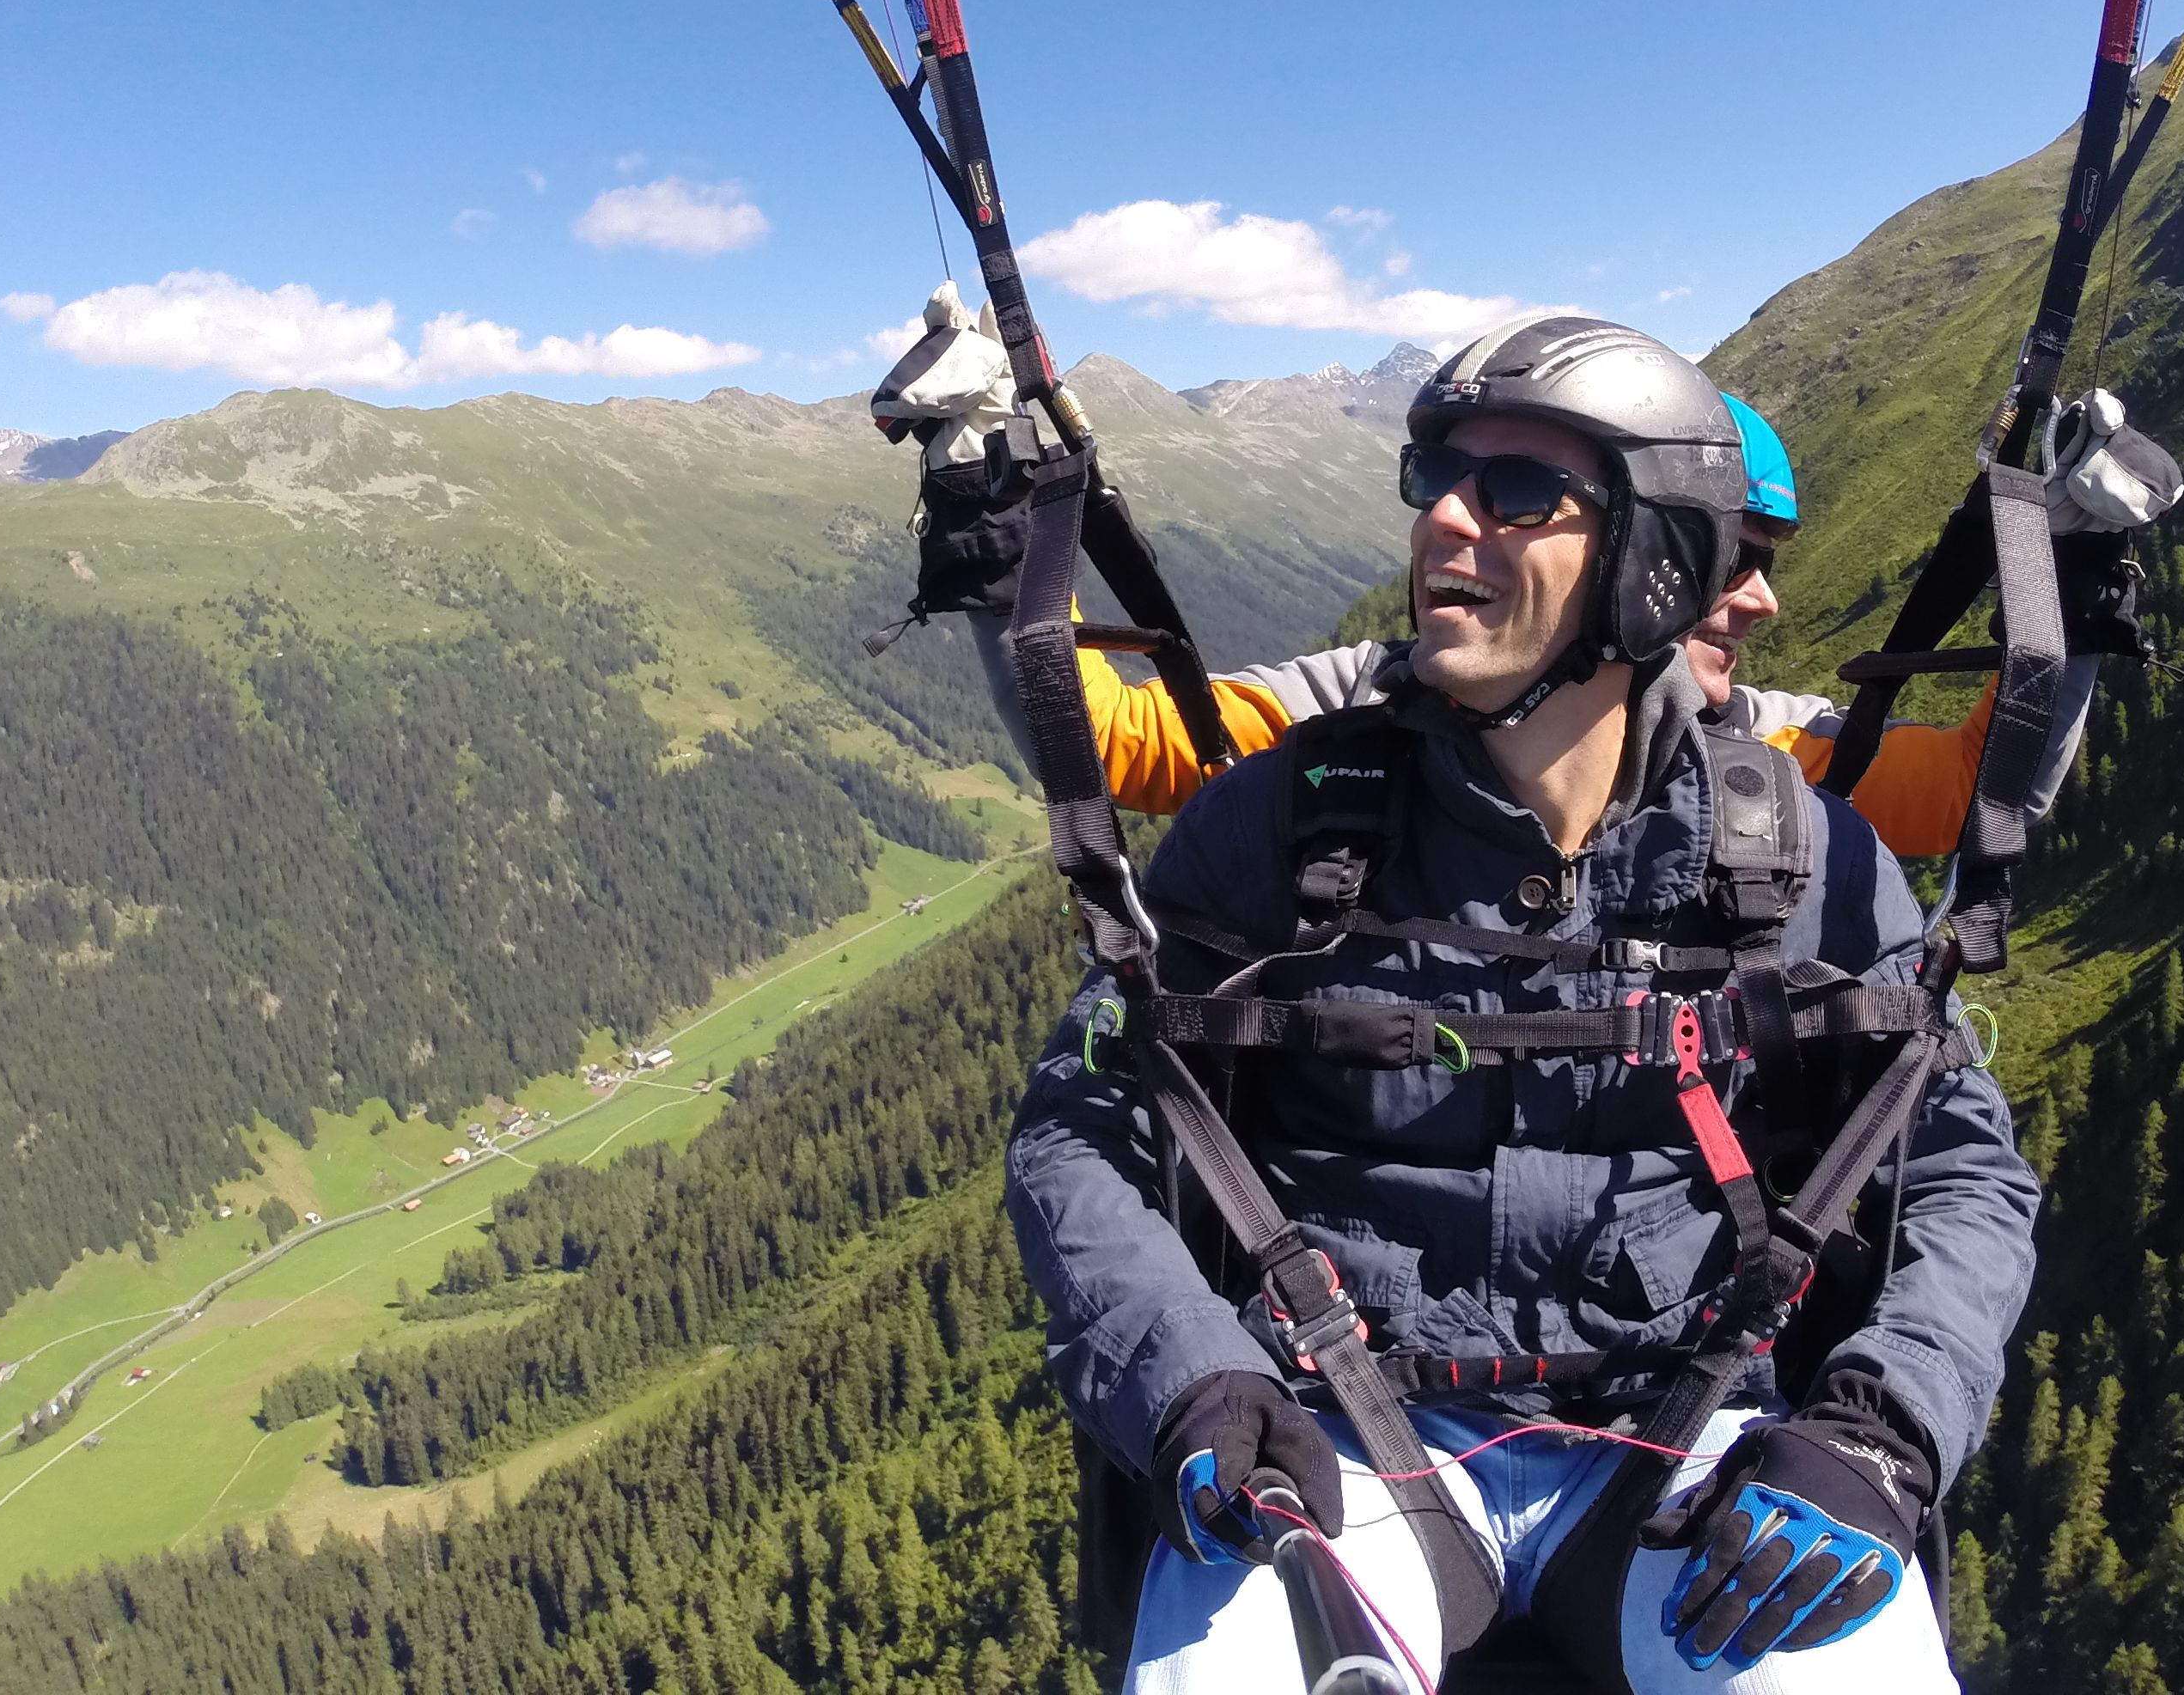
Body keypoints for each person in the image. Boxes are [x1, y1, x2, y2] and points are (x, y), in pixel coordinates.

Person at [1002, 314, 2041, 1695]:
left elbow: (1961, 1163)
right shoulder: (1284, 820)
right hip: (1338, 1434)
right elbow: (1085, 1122)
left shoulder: (1796, 854)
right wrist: (1193, 1375)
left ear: (1653, 556)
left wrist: (1880, 1426)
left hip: (1693, 1437)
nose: (1444, 516)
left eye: (1514, 491)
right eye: (1436, 474)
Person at [866, 296, 2114, 862]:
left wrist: (2065, 569)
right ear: (1654, 558)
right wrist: (994, 509)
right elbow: (1120, 744)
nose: (1758, 602)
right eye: (1735, 563)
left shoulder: (1772, 761)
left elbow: (1976, 799)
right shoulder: (1356, 713)